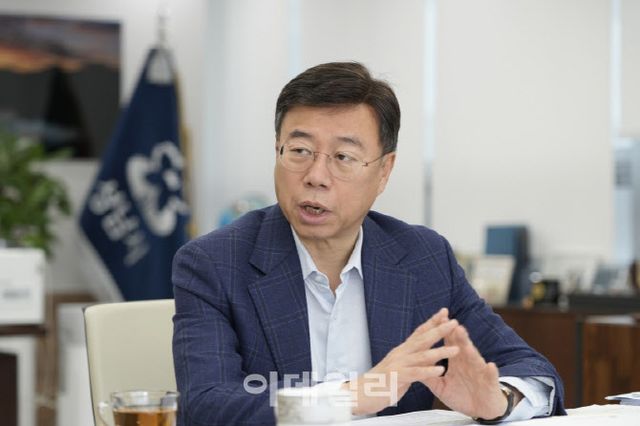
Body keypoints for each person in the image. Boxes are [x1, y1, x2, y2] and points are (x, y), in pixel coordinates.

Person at [172, 62, 565, 425]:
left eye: (343, 157)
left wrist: (498, 401)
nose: (316, 176)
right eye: (300, 151)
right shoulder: (214, 262)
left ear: (384, 172)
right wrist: (352, 396)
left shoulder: (423, 258)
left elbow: (533, 371)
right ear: (278, 150)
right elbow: (206, 405)